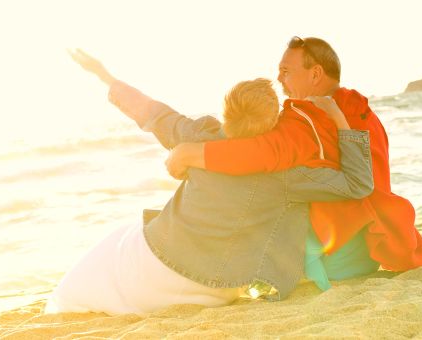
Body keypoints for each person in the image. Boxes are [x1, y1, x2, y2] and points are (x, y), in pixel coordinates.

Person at [45, 49, 374, 316]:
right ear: (274, 121)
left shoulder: (201, 136)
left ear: (226, 111)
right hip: (218, 287)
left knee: (114, 247)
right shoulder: (286, 171)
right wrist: (340, 121)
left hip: (158, 262)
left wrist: (104, 75)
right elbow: (357, 184)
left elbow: (153, 113)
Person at [167, 36, 422, 290]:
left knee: (266, 184)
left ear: (315, 74)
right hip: (377, 246)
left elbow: (261, 152)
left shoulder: (305, 120)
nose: (279, 79)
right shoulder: (358, 108)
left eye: (285, 71)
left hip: (335, 260)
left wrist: (190, 153)